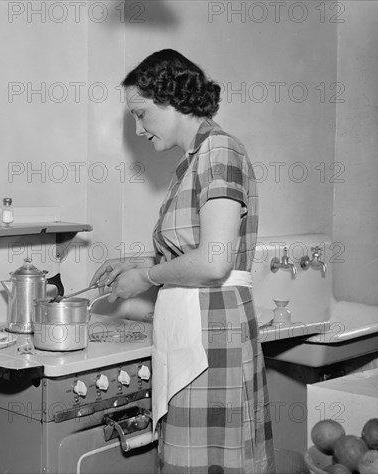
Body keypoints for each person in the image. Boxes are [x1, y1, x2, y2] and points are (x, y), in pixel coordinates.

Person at [90, 49, 275, 473]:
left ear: (171, 99)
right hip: (197, 329)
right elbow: (193, 247)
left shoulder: (219, 151)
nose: (138, 130)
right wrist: (134, 262)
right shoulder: (191, 162)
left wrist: (147, 276)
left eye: (141, 114)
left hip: (213, 336)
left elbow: (213, 262)